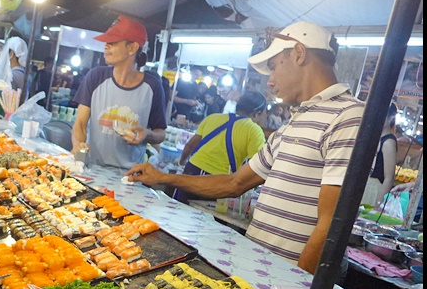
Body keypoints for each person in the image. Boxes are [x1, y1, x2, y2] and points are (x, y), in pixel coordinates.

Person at [126, 21, 365, 274]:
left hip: (288, 281)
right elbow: (235, 183)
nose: (270, 82)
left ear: (298, 54)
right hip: (256, 271)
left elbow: (331, 223)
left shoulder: (348, 116)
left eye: (273, 68)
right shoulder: (291, 125)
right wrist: (163, 177)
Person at [70, 15, 167, 170]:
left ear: (132, 48)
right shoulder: (96, 77)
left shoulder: (153, 86)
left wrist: (147, 134)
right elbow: (80, 123)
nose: (106, 46)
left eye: (113, 42)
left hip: (131, 176)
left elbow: (161, 134)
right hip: (93, 168)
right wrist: (78, 144)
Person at [173, 91, 268, 203]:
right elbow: (257, 166)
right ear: (258, 113)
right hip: (218, 182)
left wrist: (182, 162)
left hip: (192, 172)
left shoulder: (213, 118)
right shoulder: (254, 131)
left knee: (178, 212)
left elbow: (190, 145)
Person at [361, 103, 399, 207]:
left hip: (373, 190)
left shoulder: (388, 142)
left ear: (391, 118)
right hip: (365, 186)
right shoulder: (375, 137)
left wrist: (379, 203)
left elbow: (389, 177)